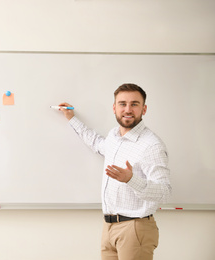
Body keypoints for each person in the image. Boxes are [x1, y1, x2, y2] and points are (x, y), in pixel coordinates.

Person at [58, 83, 171, 260]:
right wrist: (71, 118)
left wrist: (131, 179)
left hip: (134, 228)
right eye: (122, 104)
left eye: (134, 104)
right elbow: (96, 142)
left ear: (144, 108)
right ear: (114, 108)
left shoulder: (151, 145)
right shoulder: (114, 136)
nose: (128, 109)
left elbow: (164, 192)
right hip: (109, 226)